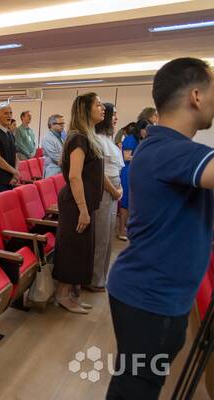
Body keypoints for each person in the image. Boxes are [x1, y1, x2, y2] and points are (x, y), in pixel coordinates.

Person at [106, 57, 214, 400]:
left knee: (135, 384)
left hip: (150, 292)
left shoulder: (164, 147)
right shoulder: (169, 150)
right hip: (150, 298)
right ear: (196, 95)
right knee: (135, 389)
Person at [52, 92, 105, 315]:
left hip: (82, 203)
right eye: (98, 104)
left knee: (81, 249)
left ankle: (72, 294)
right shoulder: (78, 138)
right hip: (75, 204)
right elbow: (74, 176)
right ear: (85, 110)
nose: (103, 108)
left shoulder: (87, 137)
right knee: (71, 249)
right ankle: (63, 295)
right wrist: (83, 210)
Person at [89, 103, 124, 291]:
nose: (116, 119)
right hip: (104, 191)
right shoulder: (96, 139)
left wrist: (120, 188)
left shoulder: (109, 140)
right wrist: (115, 190)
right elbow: (99, 173)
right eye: (114, 115)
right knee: (101, 237)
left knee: (108, 236)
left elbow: (116, 169)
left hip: (113, 191)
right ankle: (95, 279)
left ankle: (102, 277)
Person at [117, 118, 149, 241]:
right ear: (141, 129)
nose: (147, 132)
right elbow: (126, 157)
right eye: (146, 130)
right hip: (128, 172)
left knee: (132, 202)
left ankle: (127, 228)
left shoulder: (141, 139)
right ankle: (121, 229)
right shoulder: (130, 139)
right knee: (125, 202)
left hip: (136, 173)